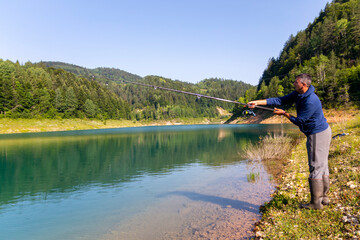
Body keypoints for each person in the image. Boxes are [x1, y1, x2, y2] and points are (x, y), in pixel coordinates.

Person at [247, 73, 331, 210]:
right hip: (323, 131)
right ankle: (324, 197)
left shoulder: (310, 100)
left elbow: (300, 121)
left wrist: (285, 114)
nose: (294, 84)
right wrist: (257, 102)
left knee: (316, 166)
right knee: (322, 165)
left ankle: (316, 203)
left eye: (296, 82)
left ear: (303, 84)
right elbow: (280, 100)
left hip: (317, 134)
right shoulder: (299, 94)